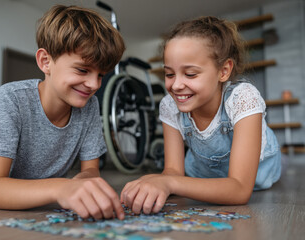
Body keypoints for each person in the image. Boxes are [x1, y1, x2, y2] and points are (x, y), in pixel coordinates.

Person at [0, 5, 126, 220]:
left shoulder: (89, 106)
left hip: (41, 185)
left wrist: (84, 182)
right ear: (45, 62)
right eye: (82, 70)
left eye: (101, 75)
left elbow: (91, 171)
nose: (94, 85)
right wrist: (61, 188)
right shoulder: (10, 98)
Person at [121, 16, 282, 214]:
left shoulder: (242, 98)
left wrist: (170, 182)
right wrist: (160, 180)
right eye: (170, 74)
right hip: (202, 173)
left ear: (223, 71)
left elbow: (239, 189)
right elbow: (173, 171)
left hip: (256, 176)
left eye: (190, 74)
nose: (176, 85)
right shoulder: (170, 105)